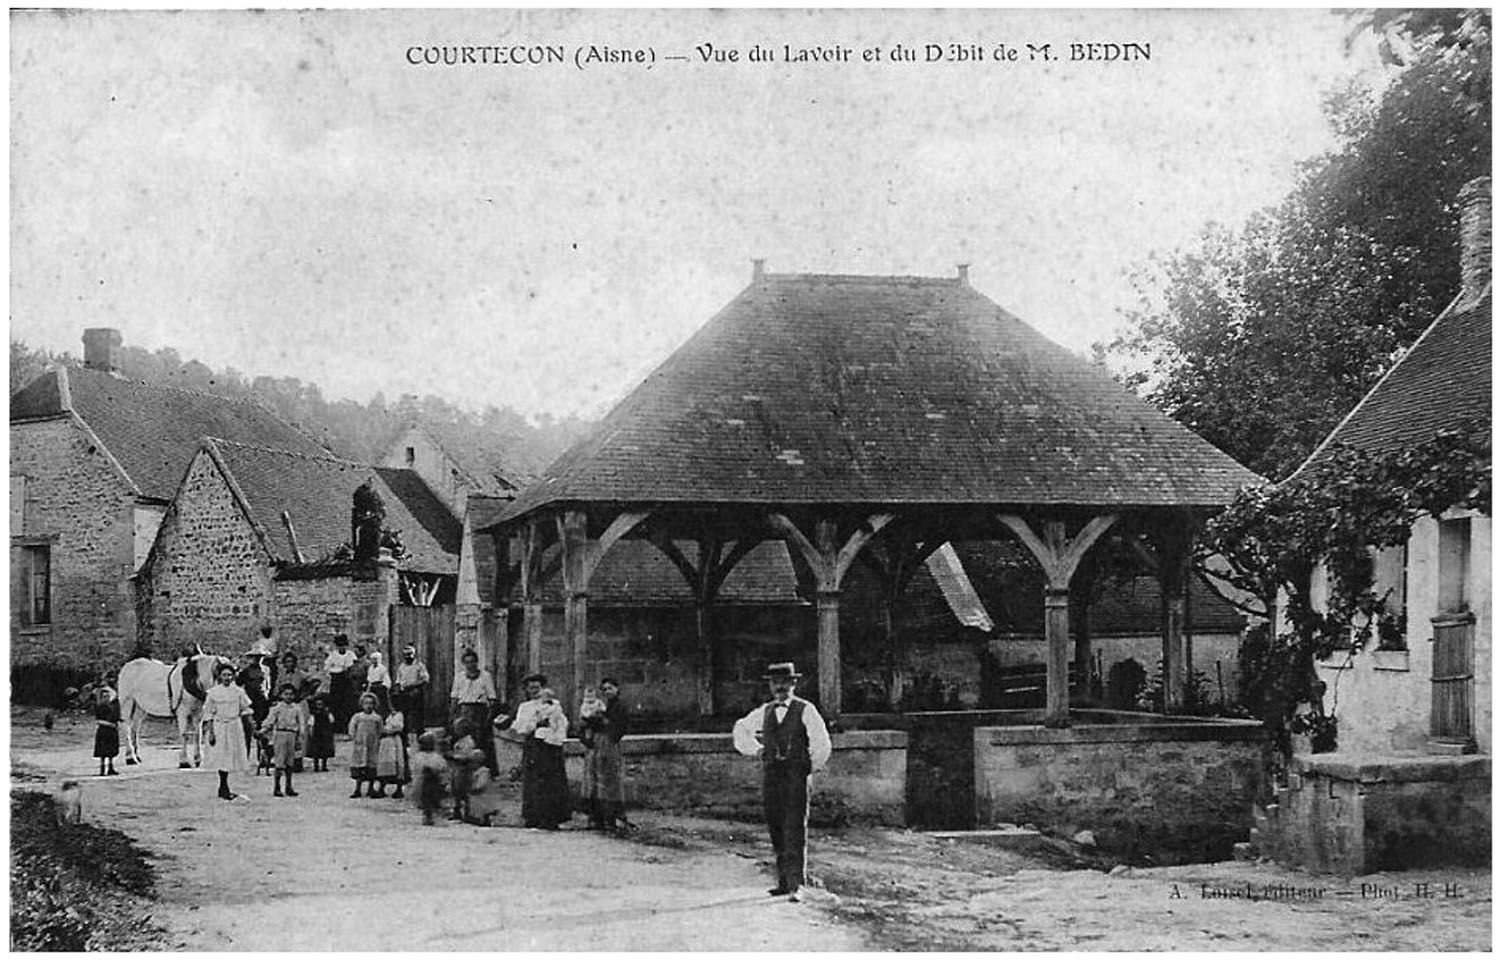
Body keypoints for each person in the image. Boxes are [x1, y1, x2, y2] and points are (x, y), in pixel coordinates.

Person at [732, 662, 832, 902]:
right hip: (772, 776)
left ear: (793, 684)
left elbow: (822, 743)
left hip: (796, 777)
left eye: (785, 682)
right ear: (769, 685)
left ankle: (797, 884)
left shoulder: (805, 709)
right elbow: (741, 729)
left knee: (794, 827)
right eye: (775, 682)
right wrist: (757, 751)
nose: (780, 687)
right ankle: (783, 881)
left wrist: (807, 767)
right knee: (776, 825)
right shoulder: (765, 711)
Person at [512, 676, 570, 830]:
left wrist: (555, 730)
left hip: (551, 746)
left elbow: (562, 722)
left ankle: (551, 818)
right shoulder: (525, 707)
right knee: (534, 781)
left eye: (538, 688)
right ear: (526, 690)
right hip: (534, 746)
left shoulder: (554, 704)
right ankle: (533, 816)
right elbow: (520, 727)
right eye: (531, 688)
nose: (535, 692)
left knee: (552, 781)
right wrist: (536, 724)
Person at [579, 678, 630, 832]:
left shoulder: (620, 707)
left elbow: (620, 726)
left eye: (610, 688)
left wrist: (609, 734)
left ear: (617, 688)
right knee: (596, 780)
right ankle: (598, 817)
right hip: (599, 744)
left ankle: (611, 817)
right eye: (605, 689)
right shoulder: (604, 706)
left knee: (609, 780)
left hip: (609, 745)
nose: (608, 691)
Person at [202, 662, 254, 801]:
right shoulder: (213, 692)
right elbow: (208, 713)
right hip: (219, 726)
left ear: (233, 676)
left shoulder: (238, 692)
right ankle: (223, 786)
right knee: (221, 756)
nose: (227, 678)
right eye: (224, 675)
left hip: (234, 726)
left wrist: (248, 721)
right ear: (219, 676)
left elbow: (246, 708)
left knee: (231, 755)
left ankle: (224, 786)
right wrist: (211, 731)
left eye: (229, 675)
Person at [448, 650, 497, 773]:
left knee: (482, 739)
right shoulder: (459, 677)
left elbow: (491, 697)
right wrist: (452, 714)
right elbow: (454, 697)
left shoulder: (485, 676)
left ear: (477, 662)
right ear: (464, 664)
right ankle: (464, 767)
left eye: (473, 662)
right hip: (464, 710)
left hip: (480, 710)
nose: (470, 665)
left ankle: (485, 769)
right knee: (461, 738)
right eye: (467, 662)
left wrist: (489, 716)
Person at [259, 682, 308, 797]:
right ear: (281, 695)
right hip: (280, 734)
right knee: (279, 761)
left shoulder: (297, 708)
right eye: (286, 694)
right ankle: (277, 787)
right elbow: (269, 721)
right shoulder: (276, 708)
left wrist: (300, 736)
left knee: (290, 762)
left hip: (292, 734)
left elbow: (301, 723)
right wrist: (262, 730)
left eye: (291, 694)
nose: (289, 697)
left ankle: (289, 786)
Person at [347, 693, 383, 798]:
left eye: (371, 703)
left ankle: (371, 788)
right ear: (362, 704)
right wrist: (353, 736)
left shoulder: (377, 718)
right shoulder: (358, 717)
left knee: (371, 766)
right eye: (366, 703)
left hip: (372, 745)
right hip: (360, 744)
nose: (369, 706)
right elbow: (352, 727)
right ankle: (357, 789)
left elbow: (380, 730)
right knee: (359, 766)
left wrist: (378, 740)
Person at [392, 643, 430, 737]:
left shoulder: (419, 666)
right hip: (404, 693)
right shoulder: (402, 666)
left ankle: (420, 734)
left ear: (413, 654)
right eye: (405, 655)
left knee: (418, 713)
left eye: (409, 654)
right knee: (404, 713)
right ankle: (405, 735)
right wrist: (398, 690)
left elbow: (425, 679)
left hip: (416, 692)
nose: (407, 657)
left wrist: (413, 685)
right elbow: (398, 680)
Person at [410, 731, 447, 825]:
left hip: (434, 782)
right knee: (425, 799)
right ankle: (427, 815)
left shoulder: (436, 757)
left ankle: (431, 815)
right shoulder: (419, 757)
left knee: (432, 799)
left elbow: (442, 768)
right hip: (422, 782)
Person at [323, 635, 357, 729]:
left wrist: (344, 669)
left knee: (347, 703)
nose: (342, 647)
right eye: (339, 645)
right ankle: (337, 725)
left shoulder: (350, 654)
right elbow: (327, 668)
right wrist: (337, 669)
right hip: (336, 681)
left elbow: (351, 666)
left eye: (343, 645)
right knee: (335, 703)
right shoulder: (333, 655)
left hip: (346, 681)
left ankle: (347, 725)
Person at [375, 707, 408, 798]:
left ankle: (399, 788)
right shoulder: (385, 714)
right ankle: (382, 787)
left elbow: (401, 728)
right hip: (386, 741)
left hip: (396, 741)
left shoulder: (401, 715)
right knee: (383, 762)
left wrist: (392, 730)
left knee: (398, 762)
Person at [93, 686, 121, 776]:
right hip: (103, 731)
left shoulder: (114, 707)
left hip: (112, 731)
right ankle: (102, 769)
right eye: (104, 697)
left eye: (108, 697)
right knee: (103, 751)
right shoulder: (100, 707)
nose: (107, 699)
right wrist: (109, 724)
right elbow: (98, 720)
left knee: (111, 751)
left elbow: (117, 717)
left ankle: (111, 768)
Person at [307, 695, 336, 771]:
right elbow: (311, 725)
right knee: (316, 751)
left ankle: (324, 766)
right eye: (318, 704)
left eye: (321, 704)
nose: (320, 706)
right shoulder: (313, 715)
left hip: (325, 735)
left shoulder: (328, 714)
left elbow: (332, 723)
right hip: (317, 735)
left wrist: (330, 733)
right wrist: (311, 734)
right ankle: (316, 766)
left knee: (325, 751)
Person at [366, 650, 392, 715]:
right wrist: (368, 689)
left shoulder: (382, 668)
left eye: (375, 659)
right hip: (373, 687)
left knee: (381, 705)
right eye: (373, 659)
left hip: (380, 688)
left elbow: (387, 680)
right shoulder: (370, 668)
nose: (374, 661)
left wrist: (384, 687)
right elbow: (369, 680)